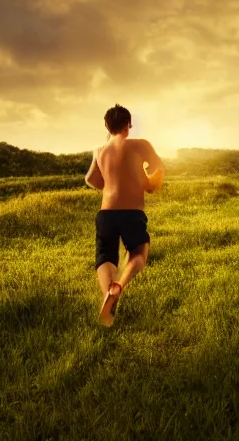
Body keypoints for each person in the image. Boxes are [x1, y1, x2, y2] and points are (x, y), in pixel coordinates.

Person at [84, 104, 165, 327]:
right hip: (132, 213)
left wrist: (108, 185)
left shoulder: (99, 151)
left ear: (106, 127)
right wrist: (149, 184)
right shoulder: (140, 145)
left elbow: (90, 179)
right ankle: (119, 285)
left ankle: (108, 296)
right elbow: (159, 168)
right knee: (139, 252)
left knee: (105, 257)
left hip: (106, 214)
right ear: (128, 126)